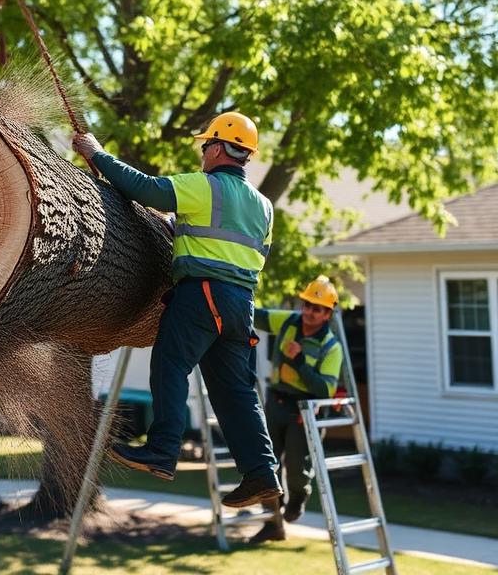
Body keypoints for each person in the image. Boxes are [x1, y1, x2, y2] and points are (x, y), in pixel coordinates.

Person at [72, 112, 282, 509]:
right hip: (241, 303)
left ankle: (163, 450)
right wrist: (182, 230)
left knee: (170, 363)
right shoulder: (265, 207)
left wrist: (97, 154)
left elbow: (144, 189)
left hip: (201, 292)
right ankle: (261, 473)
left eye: (206, 146)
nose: (203, 153)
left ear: (219, 148)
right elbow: (246, 251)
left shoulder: (204, 186)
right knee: (237, 391)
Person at [248, 275, 346, 544]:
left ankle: (297, 500)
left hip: (304, 412)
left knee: (296, 469)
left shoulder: (330, 347)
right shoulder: (290, 321)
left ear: (327, 314)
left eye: (317, 308)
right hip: (276, 402)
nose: (309, 312)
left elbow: (325, 390)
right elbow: (259, 316)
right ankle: (272, 522)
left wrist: (300, 359)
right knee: (265, 465)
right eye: (307, 305)